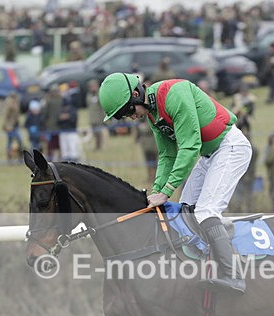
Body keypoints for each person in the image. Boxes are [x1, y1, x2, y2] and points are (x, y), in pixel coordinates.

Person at [98, 72, 253, 293]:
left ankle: (233, 275)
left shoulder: (174, 95)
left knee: (206, 211)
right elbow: (167, 156)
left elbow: (190, 147)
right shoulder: (152, 114)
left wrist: (167, 190)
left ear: (136, 94)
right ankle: (198, 268)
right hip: (210, 155)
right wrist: (156, 191)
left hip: (231, 148)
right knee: (184, 213)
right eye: (123, 116)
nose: (130, 117)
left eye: (128, 110)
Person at [85, 79, 106, 151]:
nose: (92, 88)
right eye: (91, 87)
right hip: (92, 117)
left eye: (93, 86)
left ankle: (100, 146)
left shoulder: (100, 94)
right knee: (94, 133)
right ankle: (97, 146)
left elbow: (103, 106)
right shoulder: (89, 95)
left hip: (99, 117)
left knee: (99, 133)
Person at [2, 92, 22, 161]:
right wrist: (7, 126)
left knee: (18, 140)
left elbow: (16, 115)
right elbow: (5, 116)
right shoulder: (9, 103)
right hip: (10, 126)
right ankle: (9, 157)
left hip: (15, 125)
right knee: (11, 141)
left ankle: (19, 156)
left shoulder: (16, 102)